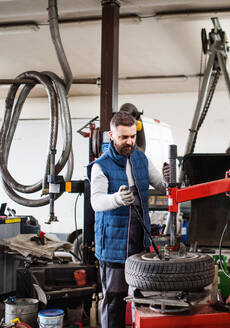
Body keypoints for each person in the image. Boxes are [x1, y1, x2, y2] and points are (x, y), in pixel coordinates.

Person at [90, 109, 170, 328]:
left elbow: (162, 187)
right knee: (114, 299)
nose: (129, 142)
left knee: (142, 298)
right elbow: (96, 202)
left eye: (133, 136)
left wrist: (169, 180)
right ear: (111, 136)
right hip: (114, 245)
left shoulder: (140, 158)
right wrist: (117, 198)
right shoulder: (101, 166)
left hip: (139, 241)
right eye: (124, 137)